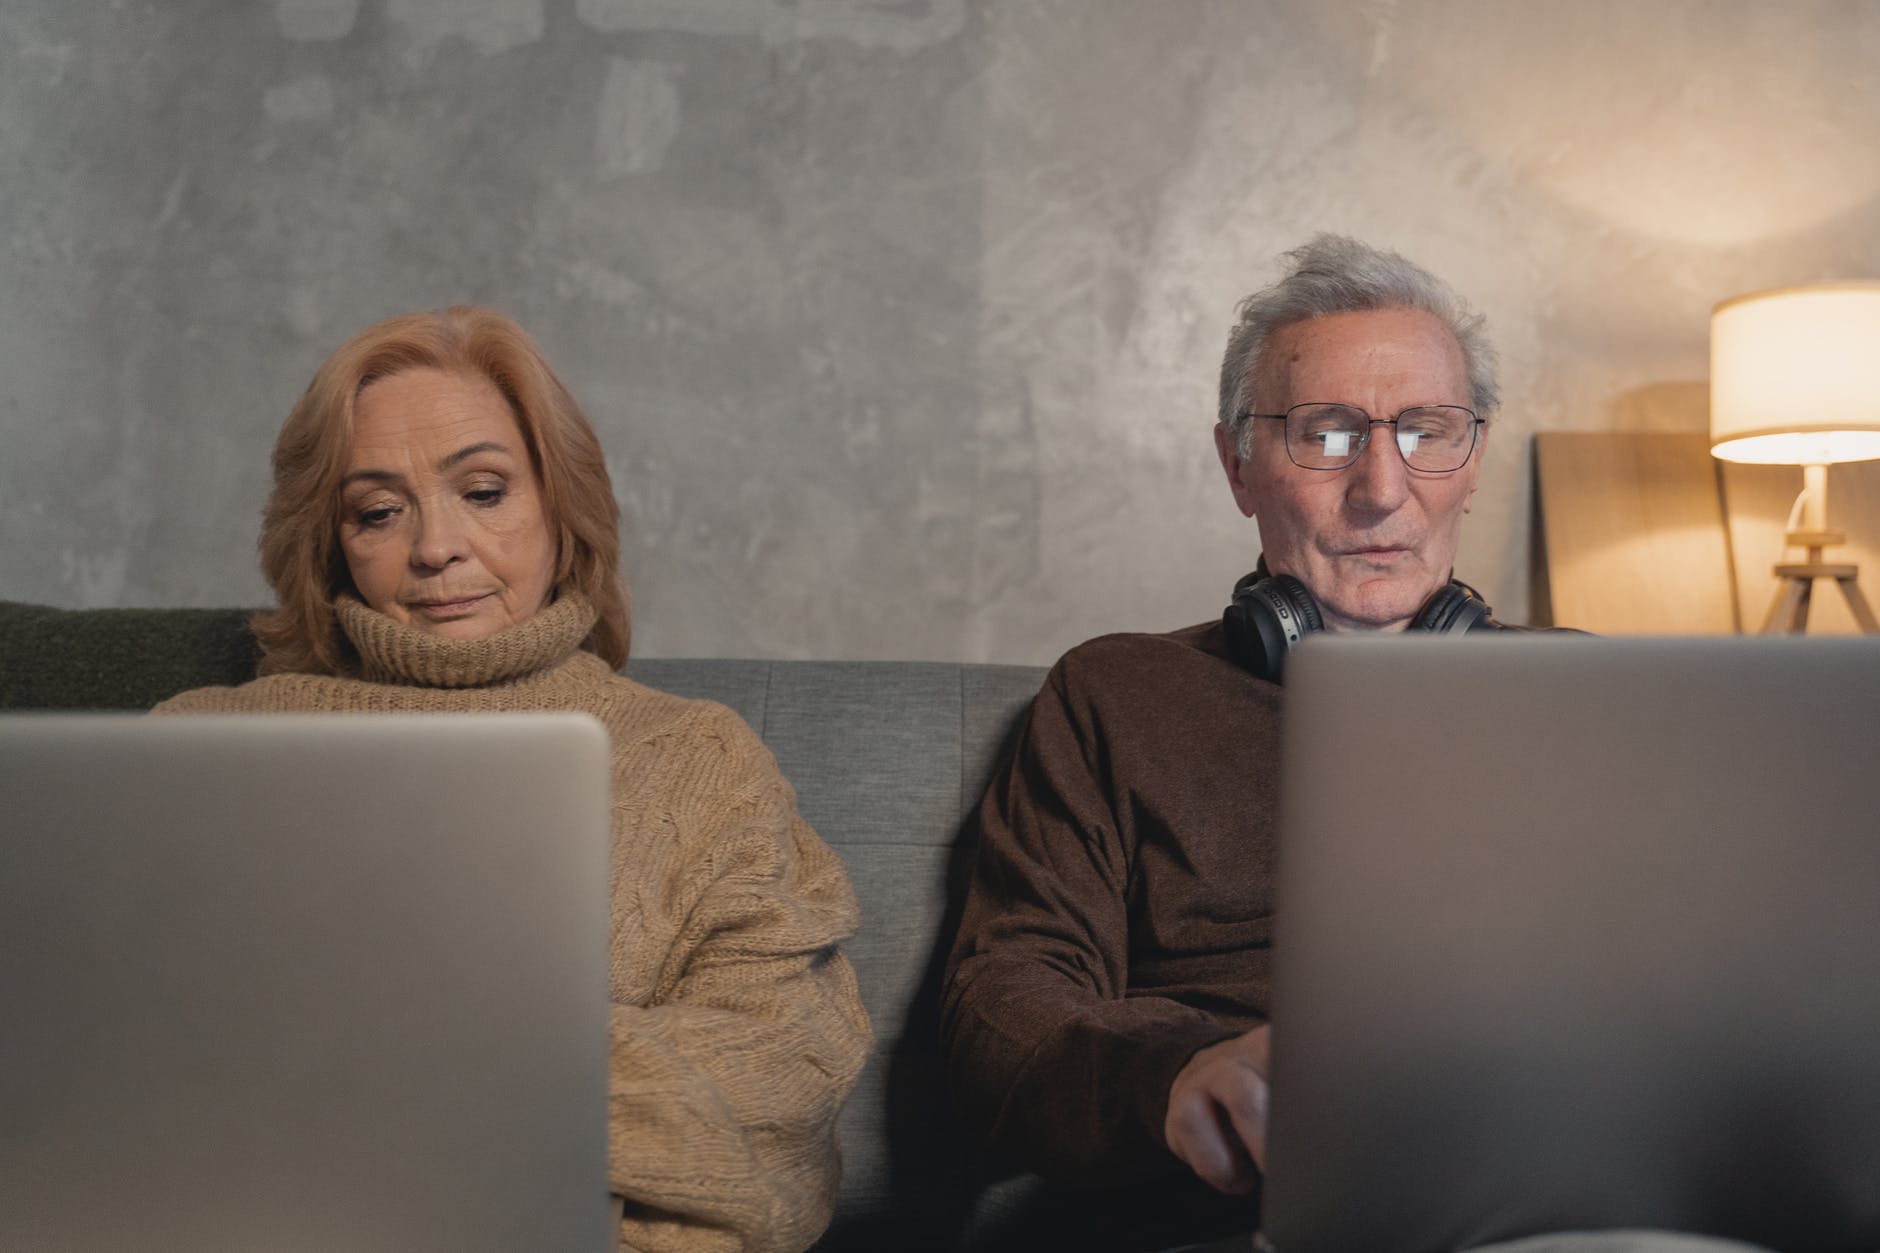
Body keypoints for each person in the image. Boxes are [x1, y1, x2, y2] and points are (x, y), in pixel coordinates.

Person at [940, 235, 1725, 1252]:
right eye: (1325, 434)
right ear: (1237, 465)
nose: (1380, 489)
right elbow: (1005, 1002)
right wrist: (1182, 1071)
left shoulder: (1589, 692)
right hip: (1241, 1204)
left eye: (1425, 432)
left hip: (1556, 1201)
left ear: (1470, 462)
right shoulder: (1115, 692)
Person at [155, 306, 871, 1253]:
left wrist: (399, 1079)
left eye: (484, 491)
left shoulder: (702, 760)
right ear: (331, 544)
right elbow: (107, 1063)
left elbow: (781, 1080)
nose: (435, 546)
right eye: (378, 509)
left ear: (561, 507)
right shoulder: (195, 746)